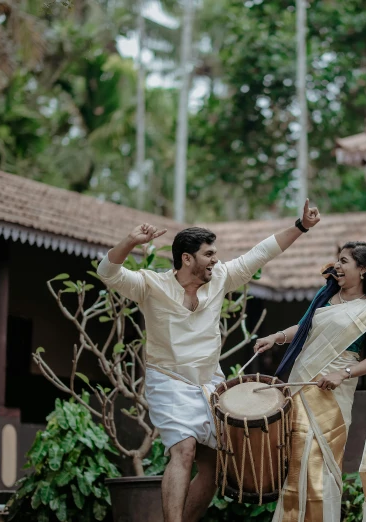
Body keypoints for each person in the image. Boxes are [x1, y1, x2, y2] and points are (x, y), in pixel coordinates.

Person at [96, 201, 321, 522]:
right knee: (183, 450)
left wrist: (301, 226)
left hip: (209, 386)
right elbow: (107, 272)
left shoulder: (220, 279)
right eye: (209, 254)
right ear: (187, 259)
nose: (216, 260)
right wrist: (131, 242)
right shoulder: (150, 285)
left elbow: (261, 253)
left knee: (215, 466)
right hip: (168, 382)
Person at [253, 241, 366, 522]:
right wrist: (275, 337)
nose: (338, 266)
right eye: (338, 260)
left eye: (345, 261)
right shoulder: (326, 299)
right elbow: (305, 328)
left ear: (363, 269)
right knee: (297, 464)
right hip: (302, 387)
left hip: (334, 392)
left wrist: (342, 373)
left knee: (319, 466)